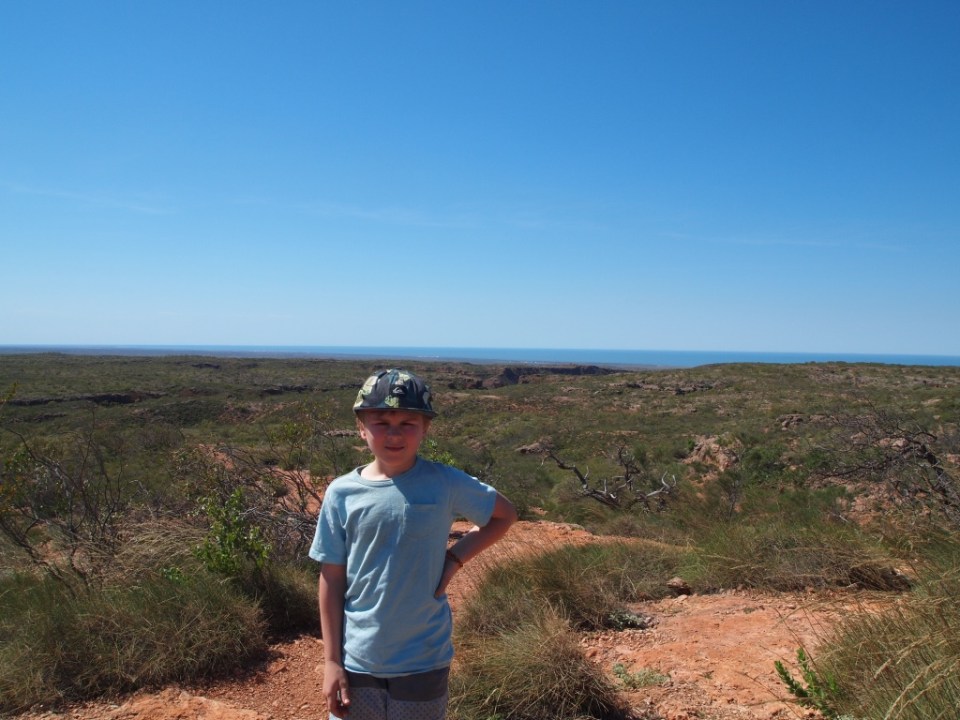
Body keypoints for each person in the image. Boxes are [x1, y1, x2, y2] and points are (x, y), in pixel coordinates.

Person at [310, 368, 517, 720]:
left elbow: (504, 515)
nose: (394, 433)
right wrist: (332, 662)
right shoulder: (341, 493)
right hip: (358, 657)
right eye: (381, 421)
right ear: (361, 428)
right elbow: (332, 577)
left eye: (408, 422)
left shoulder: (445, 482)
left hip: (424, 657)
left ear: (425, 429)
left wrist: (455, 558)